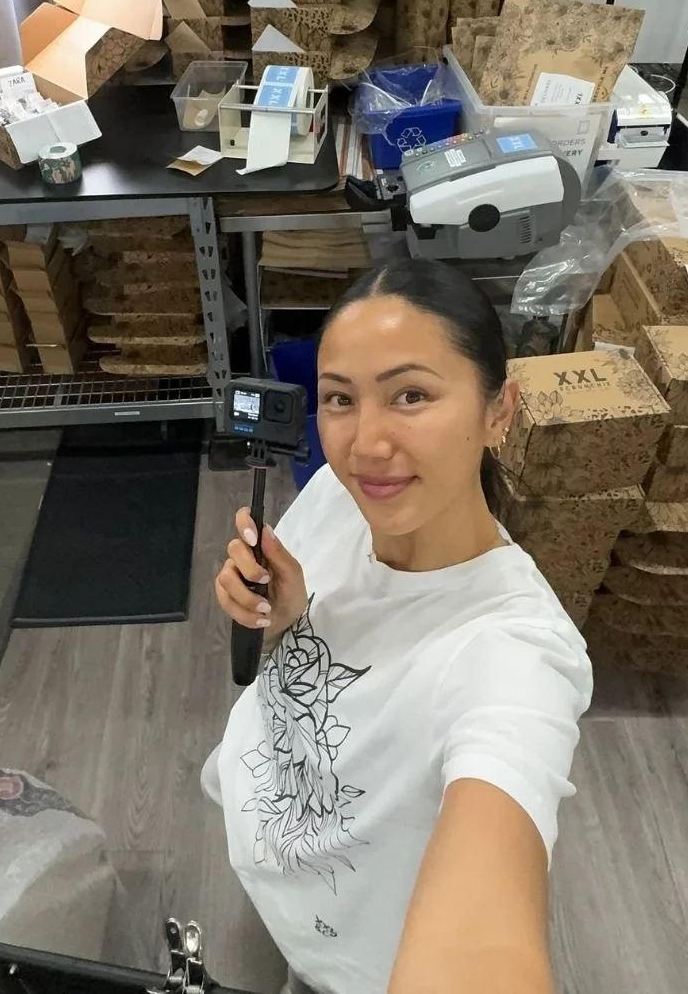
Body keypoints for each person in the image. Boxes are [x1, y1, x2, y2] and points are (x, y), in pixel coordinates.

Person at [207, 259, 592, 994]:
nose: (367, 445)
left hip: (355, 958)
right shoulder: (335, 495)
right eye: (340, 400)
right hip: (284, 867)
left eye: (411, 395)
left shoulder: (516, 653)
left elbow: (484, 938)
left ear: (498, 411)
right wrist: (290, 619)